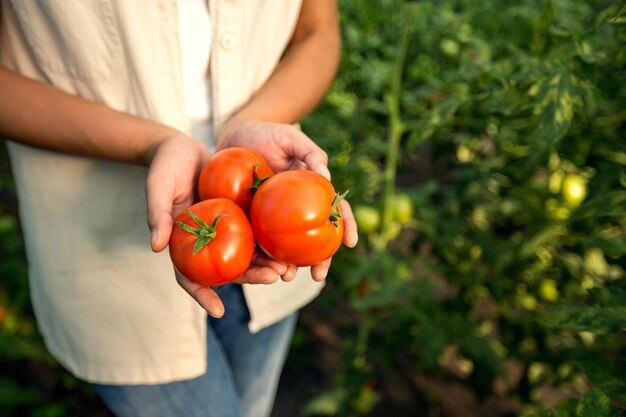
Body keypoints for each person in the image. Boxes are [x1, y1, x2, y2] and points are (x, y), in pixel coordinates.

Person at [0, 1, 357, 416]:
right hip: (107, 265)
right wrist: (152, 143)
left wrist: (257, 119)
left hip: (273, 256)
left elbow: (318, 33)